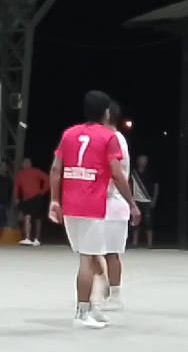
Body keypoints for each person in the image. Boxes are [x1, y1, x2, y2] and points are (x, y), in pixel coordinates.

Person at [48, 90, 137, 328]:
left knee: (89, 256)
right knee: (88, 260)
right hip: (92, 205)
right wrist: (132, 203)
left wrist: (54, 200)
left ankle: (91, 306)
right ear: (106, 112)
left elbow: (56, 169)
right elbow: (117, 174)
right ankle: (82, 312)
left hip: (70, 204)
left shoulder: (69, 133)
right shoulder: (109, 137)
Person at [93, 101, 133, 309]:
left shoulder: (115, 139)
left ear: (107, 115)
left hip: (114, 201)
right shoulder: (108, 138)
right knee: (92, 251)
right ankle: (107, 288)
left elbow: (115, 172)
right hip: (101, 202)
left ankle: (116, 295)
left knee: (111, 252)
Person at [13, 156, 48, 246]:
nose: (27, 164)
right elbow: (16, 186)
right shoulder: (20, 174)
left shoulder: (36, 171)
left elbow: (47, 179)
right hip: (26, 198)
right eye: (25, 162)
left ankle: (37, 239)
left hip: (37, 197)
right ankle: (27, 238)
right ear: (22, 164)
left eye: (28, 162)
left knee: (37, 218)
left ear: (31, 163)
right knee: (27, 216)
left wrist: (43, 191)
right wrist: (16, 197)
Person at [131, 153, 157, 248]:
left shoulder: (150, 172)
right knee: (135, 221)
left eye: (146, 159)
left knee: (148, 222)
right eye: (142, 159)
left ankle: (150, 243)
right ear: (138, 161)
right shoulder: (133, 173)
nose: (144, 161)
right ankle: (135, 242)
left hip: (147, 200)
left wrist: (154, 199)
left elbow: (156, 185)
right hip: (136, 200)